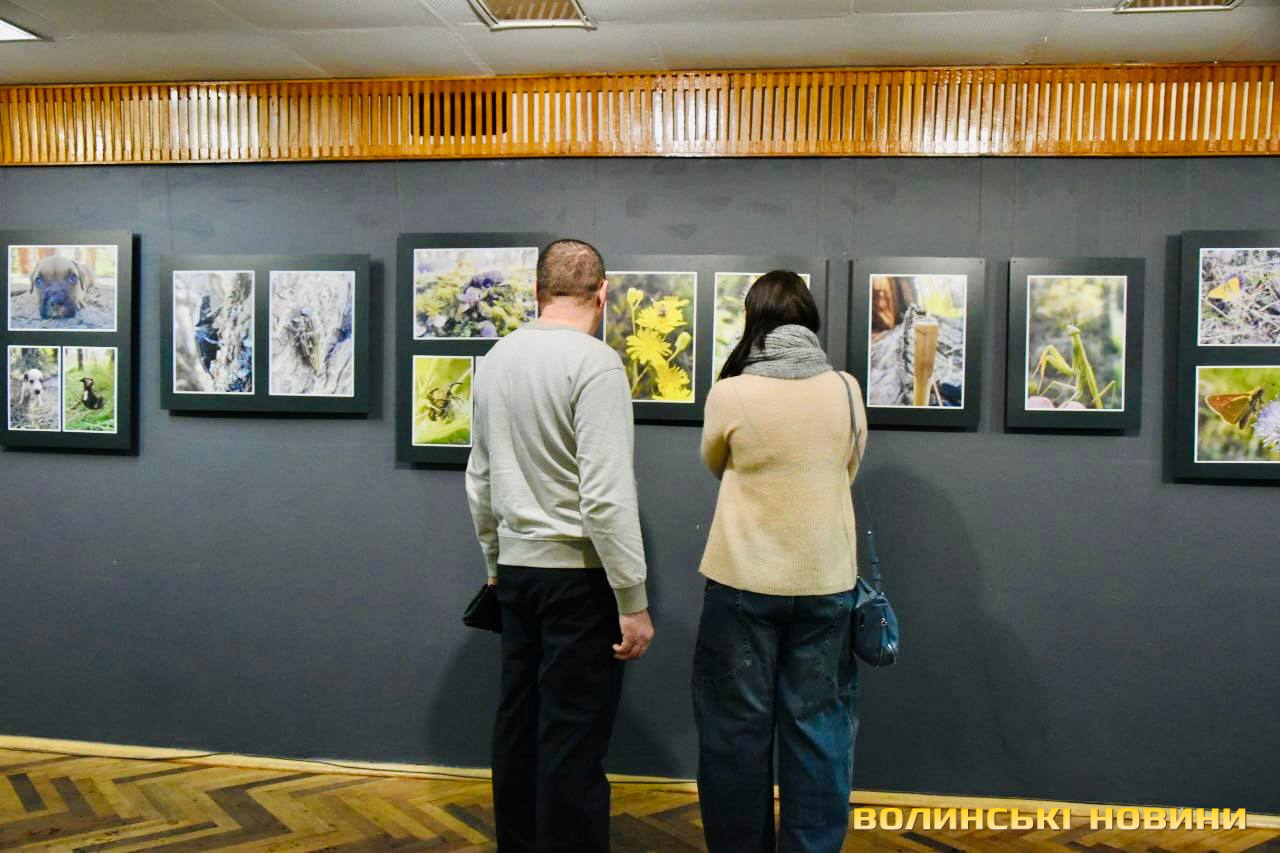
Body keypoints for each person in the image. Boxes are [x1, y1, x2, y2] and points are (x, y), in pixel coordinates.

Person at [466, 238, 655, 853]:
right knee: (572, 739)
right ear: (603, 293)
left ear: (536, 292)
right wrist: (632, 598)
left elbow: (480, 478)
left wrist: (494, 563)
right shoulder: (595, 364)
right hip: (578, 576)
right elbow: (605, 495)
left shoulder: (496, 358)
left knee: (518, 727)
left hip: (516, 572)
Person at [692, 270, 868, 853]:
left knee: (734, 735)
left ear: (754, 319)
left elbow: (715, 463)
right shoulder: (845, 389)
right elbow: (849, 467)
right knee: (819, 733)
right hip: (827, 582)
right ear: (809, 318)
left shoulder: (731, 391)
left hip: (742, 580)